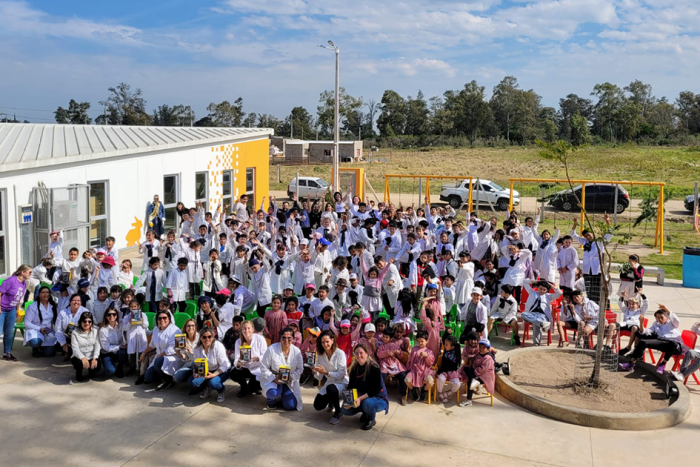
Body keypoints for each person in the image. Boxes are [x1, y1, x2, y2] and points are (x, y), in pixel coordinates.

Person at [620, 305, 686, 374]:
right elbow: (646, 332)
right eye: (657, 317)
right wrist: (641, 323)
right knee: (643, 342)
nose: (659, 319)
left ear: (667, 318)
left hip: (675, 346)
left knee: (672, 344)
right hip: (662, 342)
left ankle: (663, 364)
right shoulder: (656, 324)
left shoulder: (672, 323)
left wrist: (666, 309)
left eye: (661, 317)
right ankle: (631, 364)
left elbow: (676, 320)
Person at [341, 342, 389, 431]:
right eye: (356, 354)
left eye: (361, 353)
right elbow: (351, 386)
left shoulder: (374, 367)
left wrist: (359, 399)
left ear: (367, 353)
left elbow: (375, 390)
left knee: (367, 404)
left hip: (378, 398)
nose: (359, 356)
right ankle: (365, 412)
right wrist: (348, 401)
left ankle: (371, 418)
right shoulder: (354, 368)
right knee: (344, 409)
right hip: (361, 396)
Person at [571, 214, 612, 303]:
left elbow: (610, 234)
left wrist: (607, 221)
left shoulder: (600, 242)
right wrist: (575, 224)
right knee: (589, 289)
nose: (588, 237)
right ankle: (591, 303)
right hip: (587, 270)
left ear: (593, 233)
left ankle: (598, 304)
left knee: (597, 289)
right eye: (586, 236)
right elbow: (573, 235)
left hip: (597, 270)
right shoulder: (584, 242)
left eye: (589, 235)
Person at [260, 326, 304, 410]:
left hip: (289, 381)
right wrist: (273, 378)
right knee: (273, 393)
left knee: (290, 406)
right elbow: (263, 367)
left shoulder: (297, 351)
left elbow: (300, 369)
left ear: (293, 339)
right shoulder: (272, 349)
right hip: (274, 378)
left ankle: (283, 393)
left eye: (289, 338)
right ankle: (271, 401)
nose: (286, 341)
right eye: (283, 338)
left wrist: (292, 377)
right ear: (280, 338)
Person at [312, 330, 349, 425]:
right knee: (318, 405)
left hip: (342, 383)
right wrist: (315, 372)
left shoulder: (340, 353)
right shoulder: (320, 355)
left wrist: (327, 373)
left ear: (332, 340)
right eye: (323, 342)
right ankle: (332, 401)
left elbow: (341, 375)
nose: (325, 344)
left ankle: (338, 412)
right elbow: (320, 378)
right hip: (330, 383)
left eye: (327, 341)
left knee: (331, 389)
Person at [190, 326, 231, 402]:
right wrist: (195, 373)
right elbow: (197, 364)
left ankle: (221, 390)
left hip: (221, 370)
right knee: (193, 382)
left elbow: (224, 365)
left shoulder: (218, 346)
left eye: (209, 336)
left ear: (212, 337)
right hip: (206, 370)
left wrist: (213, 375)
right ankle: (207, 388)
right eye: (204, 337)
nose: (207, 339)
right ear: (200, 338)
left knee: (213, 382)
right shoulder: (197, 349)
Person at [0, 264, 32, 361]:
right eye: (29, 272)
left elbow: (18, 297)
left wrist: (17, 309)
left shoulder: (24, 283)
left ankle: (7, 353)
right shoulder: (10, 281)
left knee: (9, 332)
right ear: (23, 272)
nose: (31, 274)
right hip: (2, 309)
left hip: (11, 310)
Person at [142, 310, 180, 390]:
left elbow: (173, 347)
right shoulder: (156, 329)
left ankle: (168, 379)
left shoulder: (175, 330)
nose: (162, 320)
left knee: (158, 362)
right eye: (159, 318)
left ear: (169, 318)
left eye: (164, 318)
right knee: (148, 377)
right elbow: (152, 345)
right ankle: (162, 375)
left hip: (172, 356)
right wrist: (143, 353)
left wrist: (161, 355)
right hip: (159, 357)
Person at [231, 320, 268, 398]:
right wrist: (239, 363)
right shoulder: (238, 341)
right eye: (244, 328)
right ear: (241, 329)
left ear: (253, 329)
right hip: (246, 367)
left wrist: (258, 358)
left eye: (248, 328)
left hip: (258, 367)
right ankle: (244, 387)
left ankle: (255, 386)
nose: (246, 330)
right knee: (233, 373)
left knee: (254, 387)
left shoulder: (260, 339)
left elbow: (265, 355)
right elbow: (236, 359)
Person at [520, 280, 563, 346]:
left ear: (547, 290)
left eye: (544, 290)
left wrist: (550, 285)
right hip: (532, 314)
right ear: (537, 287)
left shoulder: (548, 296)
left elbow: (559, 293)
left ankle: (536, 344)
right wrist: (536, 281)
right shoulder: (532, 292)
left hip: (542, 315)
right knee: (523, 314)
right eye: (540, 289)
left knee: (536, 324)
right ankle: (541, 323)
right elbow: (525, 282)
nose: (542, 291)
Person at [23, 286, 58, 358]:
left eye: (47, 292)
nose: (45, 294)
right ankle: (35, 348)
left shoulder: (53, 305)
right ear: (39, 294)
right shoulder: (33, 306)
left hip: (48, 331)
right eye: (43, 292)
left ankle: (42, 347)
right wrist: (39, 329)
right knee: (35, 342)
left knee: (49, 354)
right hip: (35, 330)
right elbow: (26, 323)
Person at [459, 339, 495, 407]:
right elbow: (474, 358)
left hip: (484, 376)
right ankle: (473, 378)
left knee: (470, 381)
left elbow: (483, 369)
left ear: (487, 349)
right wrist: (469, 358)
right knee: (466, 368)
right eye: (480, 347)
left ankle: (469, 400)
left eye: (483, 348)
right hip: (476, 373)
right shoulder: (479, 354)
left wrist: (475, 372)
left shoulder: (488, 358)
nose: (481, 349)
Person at [405, 330, 436, 402]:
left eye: (422, 341)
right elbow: (409, 360)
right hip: (414, 371)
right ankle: (413, 391)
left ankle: (424, 391)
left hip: (426, 371)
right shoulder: (414, 349)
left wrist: (426, 356)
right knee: (407, 380)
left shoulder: (429, 351)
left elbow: (431, 363)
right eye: (418, 341)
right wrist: (408, 369)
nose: (420, 343)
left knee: (430, 382)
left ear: (427, 341)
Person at [71, 311, 101, 382]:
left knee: (97, 367)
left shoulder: (96, 330)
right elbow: (75, 348)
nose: (87, 323)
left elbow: (97, 345)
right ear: (80, 321)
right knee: (79, 364)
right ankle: (79, 371)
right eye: (84, 321)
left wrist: (95, 358)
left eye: (89, 321)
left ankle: (91, 370)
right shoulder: (74, 332)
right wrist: (82, 358)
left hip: (91, 355)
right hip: (80, 356)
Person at [99, 305, 127, 377]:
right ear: (106, 316)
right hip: (107, 352)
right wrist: (120, 346)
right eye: (109, 314)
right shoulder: (103, 330)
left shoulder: (121, 325)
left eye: (114, 314)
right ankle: (107, 363)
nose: (111, 316)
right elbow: (106, 348)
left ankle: (120, 367)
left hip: (119, 351)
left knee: (123, 353)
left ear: (117, 315)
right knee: (110, 371)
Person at [172, 318, 199, 384]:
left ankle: (193, 378)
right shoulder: (182, 338)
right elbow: (185, 358)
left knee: (192, 382)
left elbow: (198, 358)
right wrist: (178, 352)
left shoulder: (200, 338)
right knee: (176, 377)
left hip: (198, 364)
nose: (190, 327)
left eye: (193, 325)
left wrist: (190, 350)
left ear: (195, 327)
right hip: (188, 364)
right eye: (188, 326)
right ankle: (189, 375)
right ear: (185, 327)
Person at [436, 334, 462, 403]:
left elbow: (454, 367)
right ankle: (440, 393)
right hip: (444, 372)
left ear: (452, 347)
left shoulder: (456, 355)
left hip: (452, 373)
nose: (444, 345)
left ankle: (448, 393)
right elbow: (443, 366)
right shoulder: (445, 353)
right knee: (440, 379)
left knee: (457, 384)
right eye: (445, 344)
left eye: (446, 344)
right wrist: (438, 372)